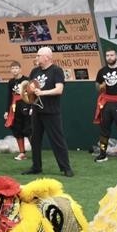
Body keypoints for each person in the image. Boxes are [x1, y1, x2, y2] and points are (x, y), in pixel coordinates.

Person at [22, 47, 74, 176]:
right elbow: (30, 89)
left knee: (57, 140)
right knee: (35, 140)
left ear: (47, 57)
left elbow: (59, 89)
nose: (36, 58)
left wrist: (43, 92)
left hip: (51, 111)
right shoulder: (34, 71)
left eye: (38, 55)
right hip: (36, 111)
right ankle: (36, 167)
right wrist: (26, 94)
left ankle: (66, 168)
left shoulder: (56, 71)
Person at [3, 60, 31, 161]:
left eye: (16, 68)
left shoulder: (27, 80)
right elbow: (9, 97)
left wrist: (30, 107)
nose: (14, 70)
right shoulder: (11, 82)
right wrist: (7, 111)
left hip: (25, 106)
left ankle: (36, 152)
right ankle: (22, 153)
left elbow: (31, 95)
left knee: (28, 130)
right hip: (15, 108)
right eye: (12, 68)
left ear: (20, 69)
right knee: (17, 130)